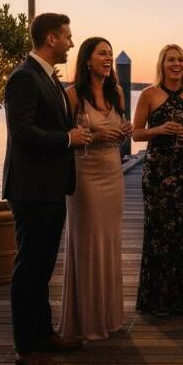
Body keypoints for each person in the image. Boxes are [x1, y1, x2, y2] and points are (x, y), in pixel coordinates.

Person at [3, 13, 92, 365]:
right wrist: (68, 139)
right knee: (29, 268)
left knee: (42, 267)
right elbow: (22, 132)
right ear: (52, 38)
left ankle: (43, 333)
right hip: (31, 189)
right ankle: (26, 349)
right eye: (68, 36)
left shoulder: (49, 77)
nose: (72, 42)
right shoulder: (24, 77)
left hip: (51, 187)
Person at [59, 37, 132, 341]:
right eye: (102, 53)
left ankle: (110, 317)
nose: (108, 58)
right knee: (88, 244)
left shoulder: (117, 92)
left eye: (110, 54)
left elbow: (121, 130)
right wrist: (98, 134)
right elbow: (64, 137)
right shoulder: (72, 95)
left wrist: (124, 131)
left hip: (113, 173)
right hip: (85, 176)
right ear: (87, 59)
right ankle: (87, 321)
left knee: (110, 243)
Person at [132, 44, 183, 316]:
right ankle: (158, 300)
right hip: (157, 172)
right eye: (171, 60)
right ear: (162, 65)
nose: (176, 64)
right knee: (158, 232)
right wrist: (159, 129)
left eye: (180, 60)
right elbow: (136, 134)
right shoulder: (149, 94)